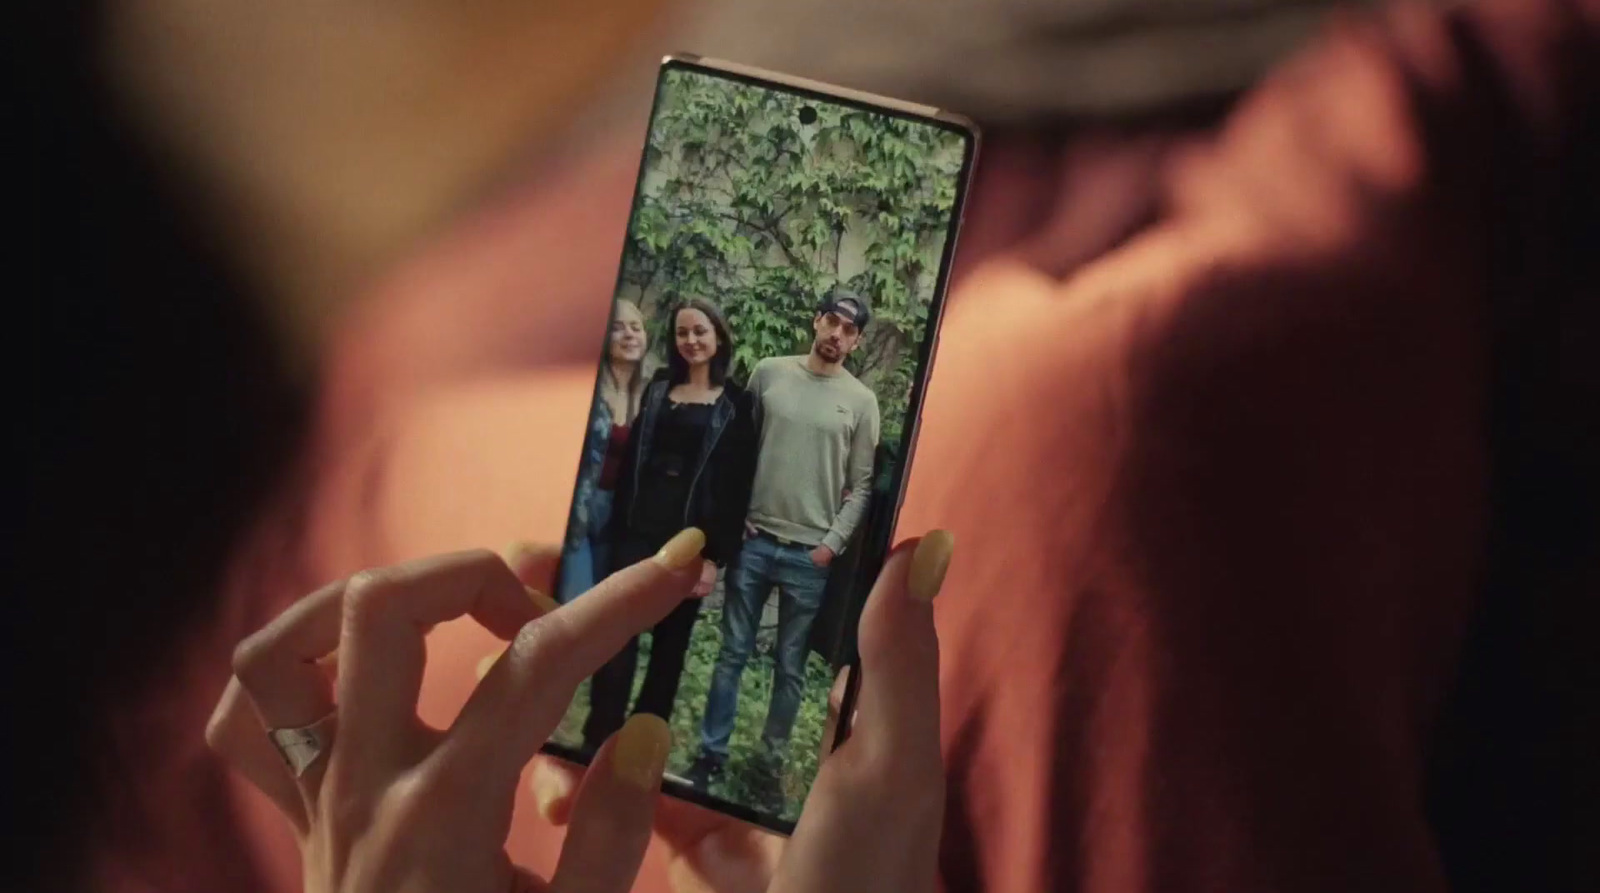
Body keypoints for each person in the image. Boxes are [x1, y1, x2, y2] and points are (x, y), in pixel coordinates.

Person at [685, 290, 881, 805]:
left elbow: (862, 485)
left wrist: (831, 546)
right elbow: (739, 452)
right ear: (816, 321)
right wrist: (736, 518)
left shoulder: (862, 402)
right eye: (831, 322)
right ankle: (709, 756)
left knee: (790, 669)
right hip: (754, 542)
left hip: (808, 556)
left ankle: (767, 770)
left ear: (857, 341)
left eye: (849, 330)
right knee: (731, 654)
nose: (837, 335)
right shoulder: (770, 373)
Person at [581, 297, 759, 751]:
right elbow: (633, 465)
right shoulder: (659, 389)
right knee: (617, 637)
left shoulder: (737, 403)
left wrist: (712, 558)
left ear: (718, 336)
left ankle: (637, 751)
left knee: (669, 651)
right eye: (682, 333)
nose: (691, 341)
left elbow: (736, 487)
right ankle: (598, 740)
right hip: (637, 533)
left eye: (700, 331)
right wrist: (619, 526)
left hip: (688, 544)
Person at [558, 299, 651, 602]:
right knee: (577, 605)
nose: (629, 335)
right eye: (617, 328)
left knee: (601, 610)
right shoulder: (586, 387)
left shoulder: (650, 396)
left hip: (618, 520)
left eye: (635, 328)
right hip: (578, 512)